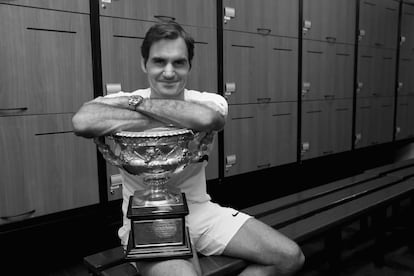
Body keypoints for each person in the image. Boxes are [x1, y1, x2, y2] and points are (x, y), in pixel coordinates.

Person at [72, 21, 304, 276]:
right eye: (159, 61)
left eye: (178, 62)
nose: (169, 72)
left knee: (290, 257)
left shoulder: (207, 101)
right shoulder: (131, 98)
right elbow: (82, 121)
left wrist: (131, 110)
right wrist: (150, 105)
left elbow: (209, 119)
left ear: (189, 65)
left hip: (201, 212)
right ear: (144, 64)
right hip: (146, 219)